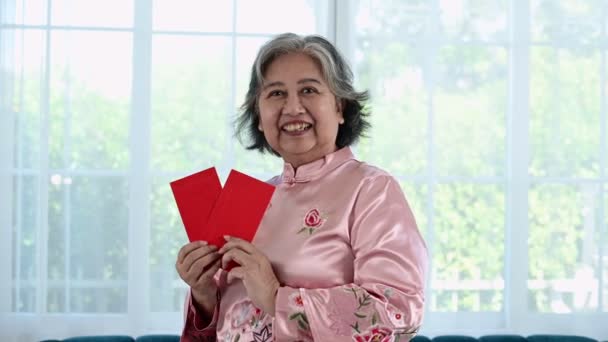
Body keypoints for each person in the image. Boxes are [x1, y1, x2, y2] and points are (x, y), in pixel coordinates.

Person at [175, 32, 427, 342]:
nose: (293, 107)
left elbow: (397, 312)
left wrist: (277, 298)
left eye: (308, 90)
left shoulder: (372, 190)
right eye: (276, 93)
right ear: (258, 115)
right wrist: (203, 295)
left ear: (340, 107)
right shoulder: (244, 199)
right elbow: (225, 328)